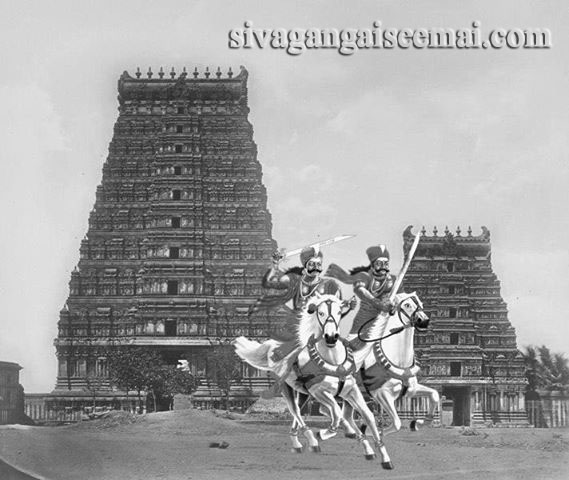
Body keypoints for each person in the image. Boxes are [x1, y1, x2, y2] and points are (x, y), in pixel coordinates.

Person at [249, 246, 352, 361]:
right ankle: (281, 359)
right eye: (312, 264)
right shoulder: (294, 280)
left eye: (318, 264)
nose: (316, 268)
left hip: (318, 323)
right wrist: (275, 264)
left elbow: (335, 311)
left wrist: (348, 305)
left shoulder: (329, 285)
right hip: (295, 321)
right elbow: (268, 282)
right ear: (305, 265)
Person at [326, 244, 396, 348]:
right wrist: (379, 304)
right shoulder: (364, 276)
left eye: (386, 263)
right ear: (372, 265)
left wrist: (394, 305)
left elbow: (400, 297)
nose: (383, 266)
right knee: (351, 349)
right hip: (364, 321)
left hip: (384, 320)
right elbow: (362, 292)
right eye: (379, 263)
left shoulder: (393, 280)